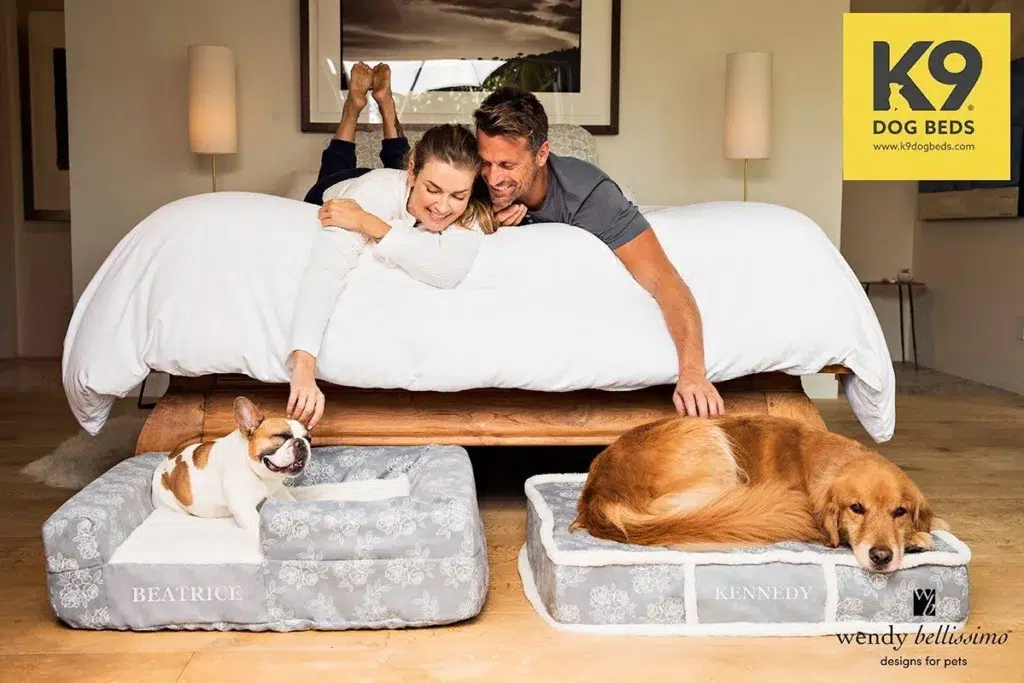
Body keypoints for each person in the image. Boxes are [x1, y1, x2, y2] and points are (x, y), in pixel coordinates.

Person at [472, 87, 725, 418]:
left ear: (542, 154)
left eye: (507, 164)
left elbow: (664, 280)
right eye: (486, 162)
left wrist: (693, 374)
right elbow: (413, 181)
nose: (494, 177)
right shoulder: (476, 176)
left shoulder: (589, 197)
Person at [286, 62, 497, 429]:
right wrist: (304, 367)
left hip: (386, 196)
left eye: (457, 195)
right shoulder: (373, 191)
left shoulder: (471, 209)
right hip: (345, 185)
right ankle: (353, 105)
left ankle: (386, 106)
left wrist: (370, 224)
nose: (444, 207)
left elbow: (445, 270)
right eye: (433, 188)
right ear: (413, 172)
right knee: (337, 165)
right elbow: (326, 271)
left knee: (410, 192)